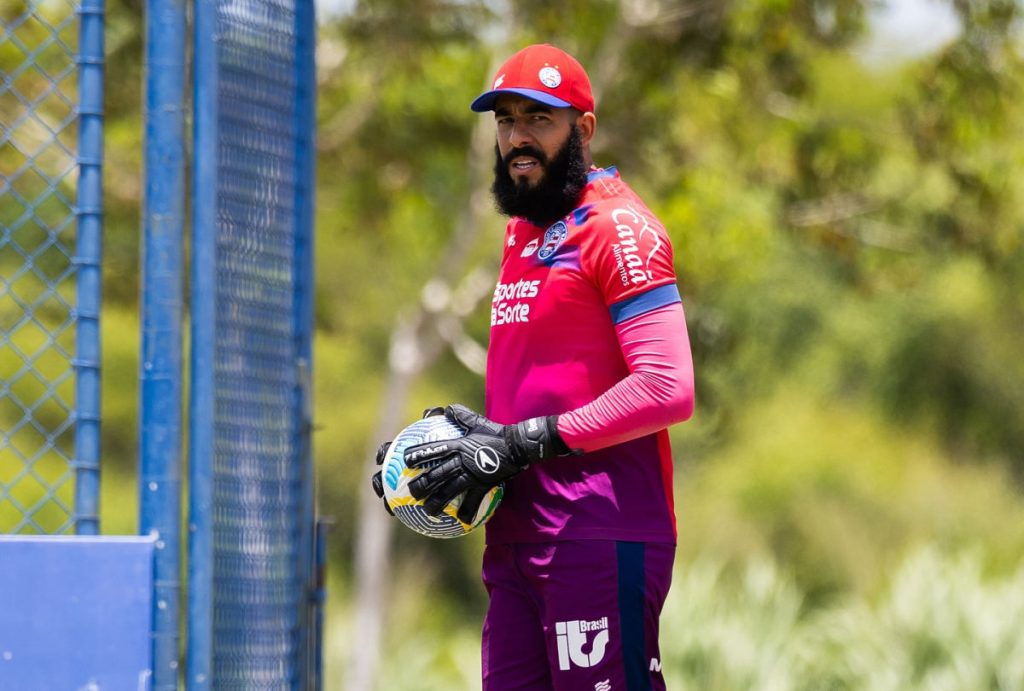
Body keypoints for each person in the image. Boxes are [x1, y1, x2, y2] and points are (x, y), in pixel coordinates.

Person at [372, 43, 695, 691]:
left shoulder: (618, 228)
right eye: (505, 121)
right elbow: (549, 387)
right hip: (517, 538)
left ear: (583, 129)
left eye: (538, 119)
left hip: (598, 536)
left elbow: (669, 387)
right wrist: (450, 451)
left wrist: (525, 440)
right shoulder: (521, 233)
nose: (517, 138)